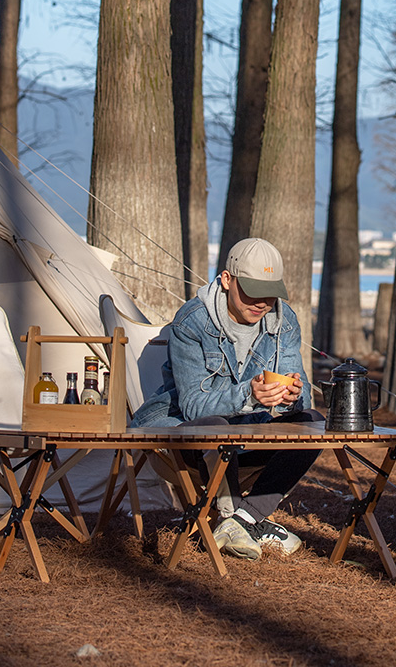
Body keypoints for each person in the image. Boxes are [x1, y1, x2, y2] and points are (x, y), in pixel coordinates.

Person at [132, 238, 323, 561]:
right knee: (215, 425)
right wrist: (249, 395)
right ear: (226, 279)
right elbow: (193, 405)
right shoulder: (192, 322)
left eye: (270, 292)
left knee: (313, 423)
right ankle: (242, 518)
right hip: (187, 443)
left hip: (249, 438)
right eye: (251, 290)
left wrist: (292, 395)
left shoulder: (284, 320)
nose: (262, 302)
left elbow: (298, 388)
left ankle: (242, 520)